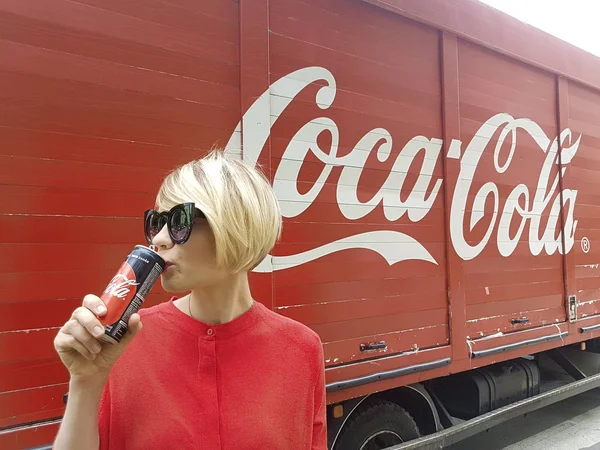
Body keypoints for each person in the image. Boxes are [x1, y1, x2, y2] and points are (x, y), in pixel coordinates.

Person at [53, 150, 327, 450]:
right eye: (156, 222)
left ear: (237, 226)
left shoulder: (301, 349)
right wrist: (84, 383)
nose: (158, 238)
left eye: (180, 221)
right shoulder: (124, 339)